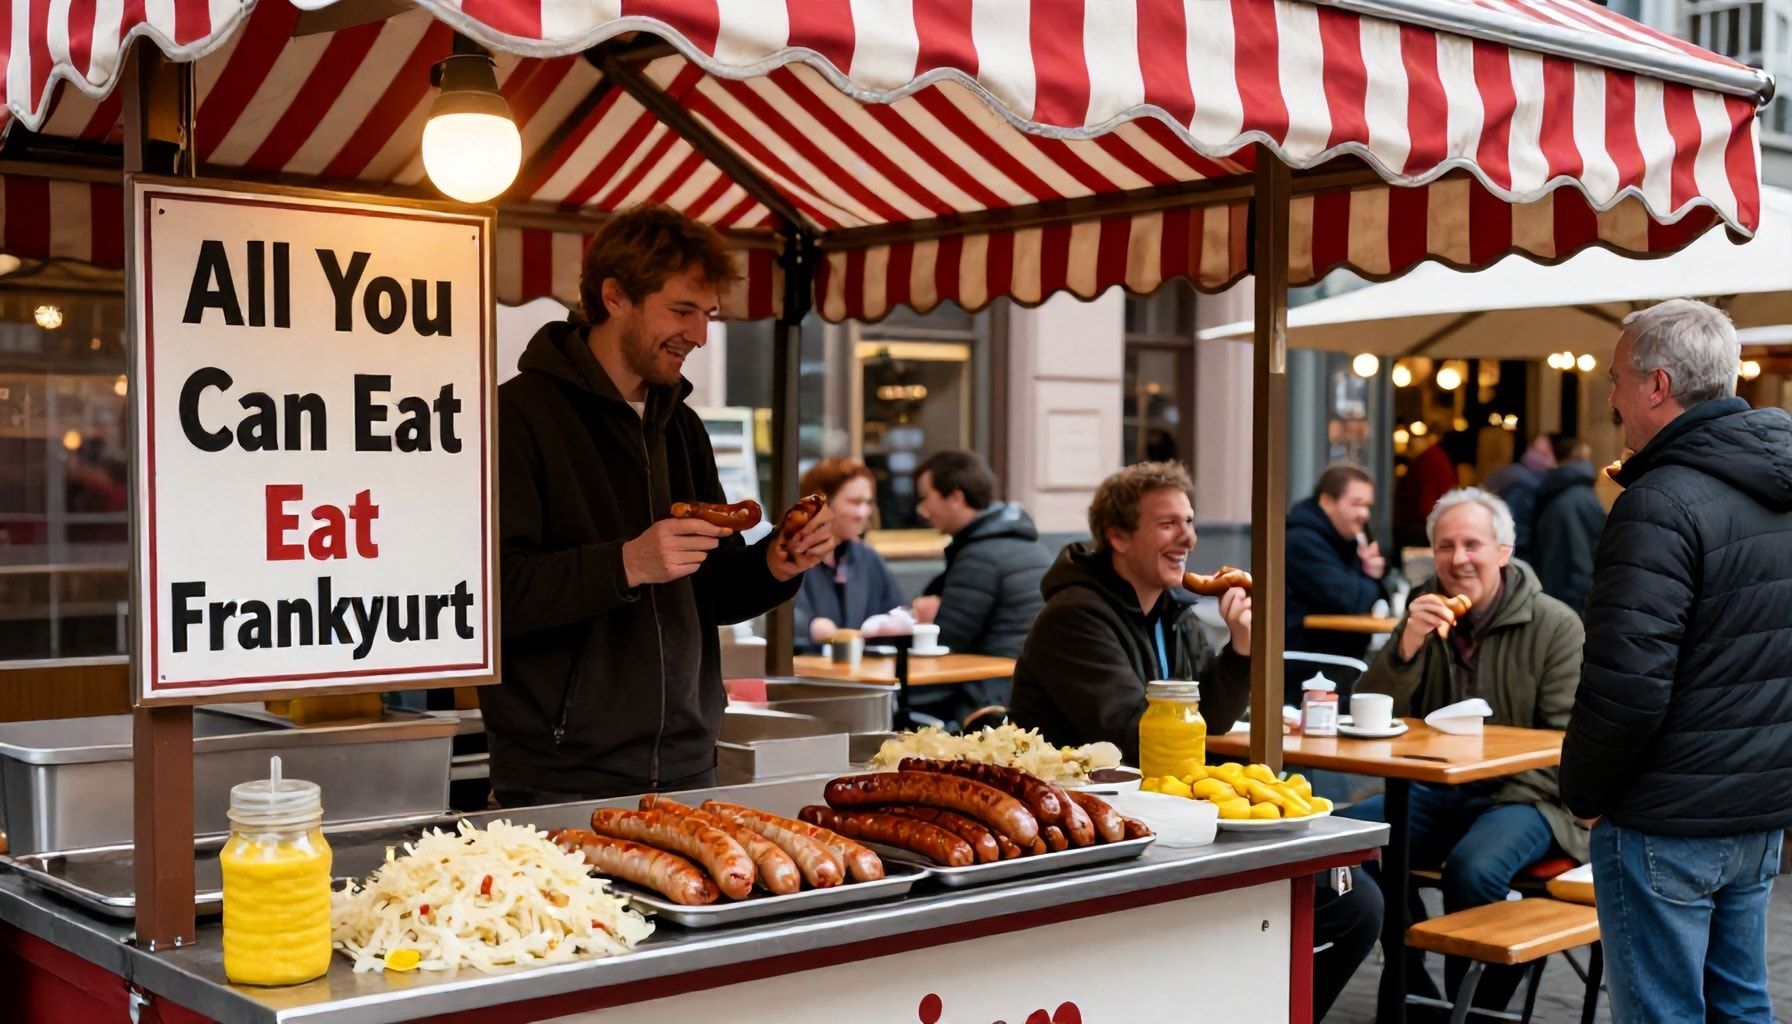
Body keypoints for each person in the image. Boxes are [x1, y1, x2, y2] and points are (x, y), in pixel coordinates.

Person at [1009, 460, 1379, 1022]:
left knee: (1355, 899)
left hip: (1168, 817)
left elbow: (1219, 719)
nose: (1188, 537)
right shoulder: (1075, 617)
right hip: (1091, 832)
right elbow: (1129, 735)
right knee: (1347, 903)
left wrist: (1240, 651)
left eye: (1190, 520)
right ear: (1117, 535)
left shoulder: (1175, 615)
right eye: (1167, 524)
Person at [489, 206, 834, 806]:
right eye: (681, 310)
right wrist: (624, 564)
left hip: (689, 766)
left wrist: (776, 565)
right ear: (615, 295)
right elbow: (490, 600)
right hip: (559, 776)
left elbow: (717, 593)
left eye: (707, 315)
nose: (700, 335)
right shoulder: (514, 418)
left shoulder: (683, 427)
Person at [1561, 299, 1792, 1024]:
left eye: (1617, 378)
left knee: (1664, 1016)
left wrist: (1585, 792)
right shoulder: (1778, 489)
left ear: (1657, 385)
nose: (1610, 397)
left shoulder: (1658, 500)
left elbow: (1627, 683)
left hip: (1665, 814)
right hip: (1757, 806)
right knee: (1742, 1006)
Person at [1343, 488, 1586, 1013]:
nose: (1459, 559)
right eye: (1445, 546)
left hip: (1527, 798)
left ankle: (1474, 1008)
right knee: (1351, 842)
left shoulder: (1556, 625)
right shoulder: (1422, 615)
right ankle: (1415, 989)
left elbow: (1566, 743)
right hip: (1432, 791)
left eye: (1472, 544)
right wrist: (1406, 645)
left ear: (1503, 550)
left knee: (1473, 870)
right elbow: (1369, 709)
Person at [910, 451, 1052, 662]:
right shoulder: (1031, 545)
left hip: (992, 685)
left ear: (956, 498)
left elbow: (948, 640)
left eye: (926, 497)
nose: (923, 509)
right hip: (1030, 678)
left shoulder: (979, 558)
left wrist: (926, 620)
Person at [793, 456, 905, 648]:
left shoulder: (868, 559)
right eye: (855, 502)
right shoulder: (790, 556)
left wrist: (895, 623)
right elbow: (772, 621)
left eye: (869, 503)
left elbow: (895, 609)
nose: (863, 513)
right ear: (822, 504)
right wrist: (809, 628)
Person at [1285, 464, 1387, 669]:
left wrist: (1372, 575)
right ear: (1327, 502)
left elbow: (1372, 598)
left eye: (1368, 505)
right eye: (1357, 504)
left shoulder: (1345, 541)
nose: (1365, 514)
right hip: (1307, 664)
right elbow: (1352, 600)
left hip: (1338, 658)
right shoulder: (1301, 540)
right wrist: (1370, 576)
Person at [1529, 436, 1605, 615]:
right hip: (1571, 600)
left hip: (1565, 602)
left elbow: (1574, 560)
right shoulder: (1579, 495)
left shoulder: (1564, 498)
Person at [1483, 434, 1557, 561]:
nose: (1537, 456)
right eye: (1536, 450)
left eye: (1544, 453)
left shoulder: (1514, 475)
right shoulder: (1522, 482)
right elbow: (1516, 530)